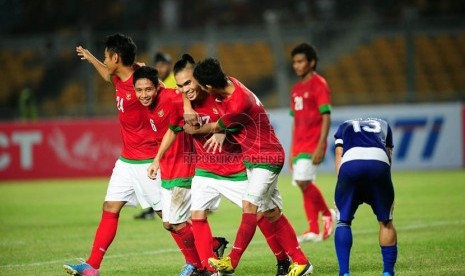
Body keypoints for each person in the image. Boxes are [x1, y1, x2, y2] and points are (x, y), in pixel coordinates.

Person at [188, 58, 314, 276]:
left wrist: (195, 129)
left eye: (200, 86)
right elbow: (223, 124)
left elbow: (213, 125)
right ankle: (302, 261)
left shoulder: (238, 103)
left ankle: (232, 261)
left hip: (267, 157)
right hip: (253, 159)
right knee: (272, 213)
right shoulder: (230, 84)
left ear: (208, 86)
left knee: (249, 206)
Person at [64, 33, 162, 276]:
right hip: (127, 161)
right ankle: (92, 266)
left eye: (107, 57)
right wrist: (93, 59)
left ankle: (208, 249)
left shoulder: (142, 85)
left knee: (168, 217)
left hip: (147, 162)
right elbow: (108, 74)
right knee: (110, 206)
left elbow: (164, 104)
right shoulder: (122, 73)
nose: (105, 62)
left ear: (116, 57)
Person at [333, 118, 397, 276]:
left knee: (343, 220)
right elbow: (388, 156)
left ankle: (344, 273)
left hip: (351, 164)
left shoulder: (345, 125)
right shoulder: (384, 124)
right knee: (386, 221)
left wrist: (341, 187)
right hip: (378, 164)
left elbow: (339, 153)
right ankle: (388, 272)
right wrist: (386, 187)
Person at [289, 42, 335, 243]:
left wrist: (321, 145)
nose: (297, 65)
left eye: (300, 61)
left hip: (313, 143)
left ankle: (327, 214)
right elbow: (295, 121)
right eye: (294, 62)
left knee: (303, 181)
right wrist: (291, 150)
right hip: (299, 145)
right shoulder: (296, 89)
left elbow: (326, 116)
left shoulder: (319, 84)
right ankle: (313, 228)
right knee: (303, 185)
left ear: (312, 62)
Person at [134, 51, 176, 220]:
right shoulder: (151, 85)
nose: (160, 68)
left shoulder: (172, 83)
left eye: (163, 65)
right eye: (157, 65)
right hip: (161, 136)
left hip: (175, 137)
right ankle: (155, 209)